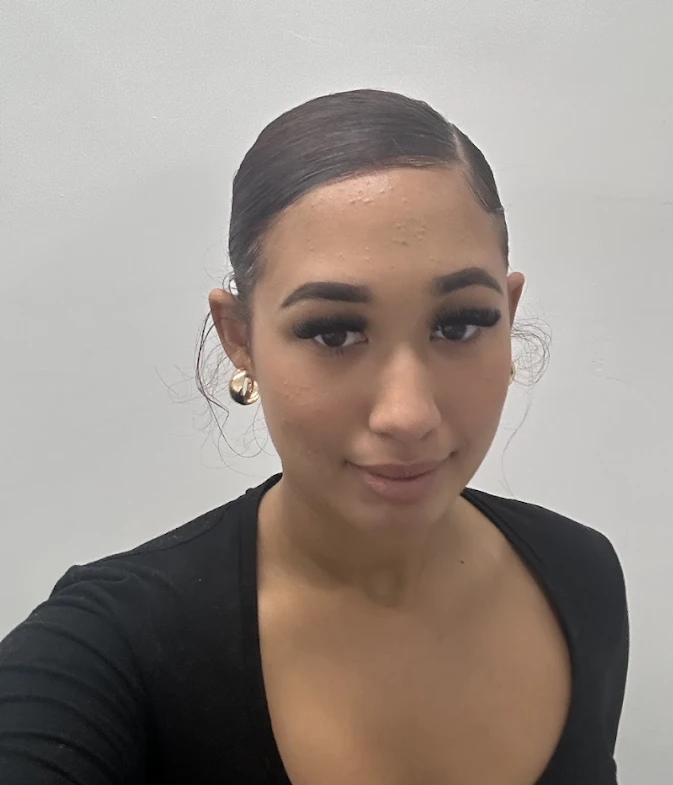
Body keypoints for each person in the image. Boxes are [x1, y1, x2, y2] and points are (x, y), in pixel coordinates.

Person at [0, 89, 628, 785]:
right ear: (239, 338)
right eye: (332, 332)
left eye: (459, 324)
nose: (407, 415)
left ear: (507, 316)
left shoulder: (582, 575)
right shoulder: (108, 648)